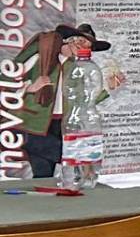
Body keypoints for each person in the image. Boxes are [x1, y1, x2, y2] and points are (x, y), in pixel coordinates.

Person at [9, 24, 122, 178]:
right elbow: (7, 79)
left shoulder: (75, 67)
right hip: (30, 124)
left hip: (58, 124)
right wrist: (29, 87)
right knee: (67, 154)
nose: (85, 48)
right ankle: (85, 176)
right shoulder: (41, 55)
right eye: (82, 42)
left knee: (43, 172)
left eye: (89, 46)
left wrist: (109, 88)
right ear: (71, 40)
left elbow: (81, 100)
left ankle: (46, 190)